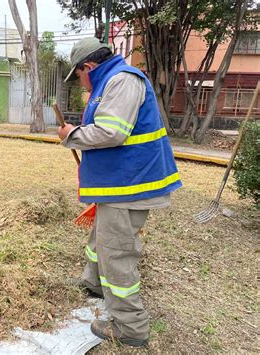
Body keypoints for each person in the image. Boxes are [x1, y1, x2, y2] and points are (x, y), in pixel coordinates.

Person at [58, 38, 182, 347]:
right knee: (101, 237)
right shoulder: (111, 81)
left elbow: (112, 132)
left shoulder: (122, 81)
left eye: (78, 74)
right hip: (120, 184)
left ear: (88, 67)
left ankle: (130, 327)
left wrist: (71, 134)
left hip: (131, 186)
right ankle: (94, 282)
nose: (79, 80)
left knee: (116, 254)